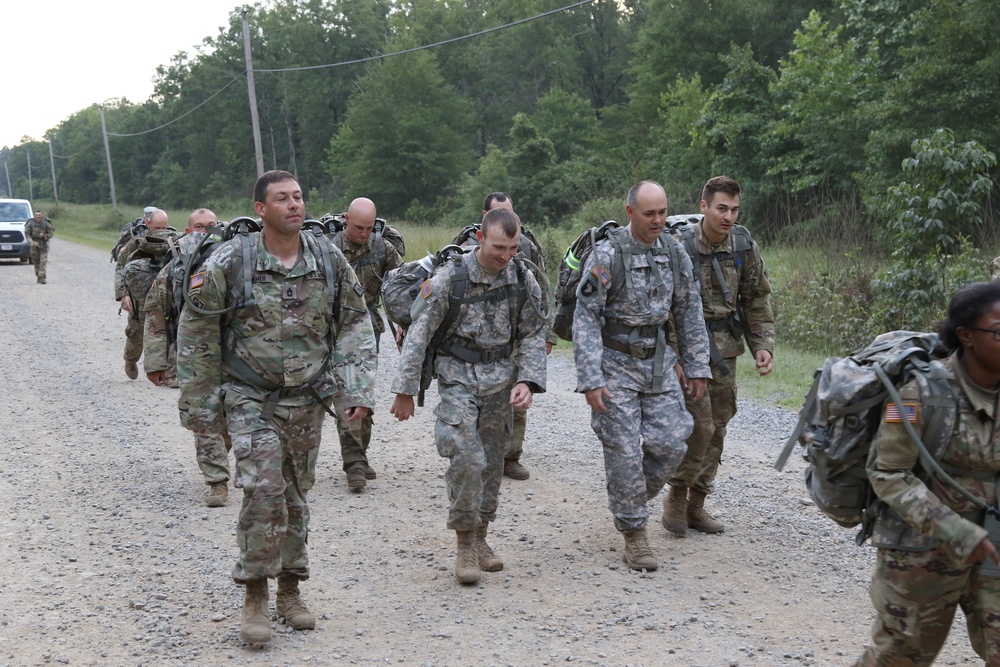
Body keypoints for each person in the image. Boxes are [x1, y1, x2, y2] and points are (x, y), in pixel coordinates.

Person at [177, 170, 376, 643]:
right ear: (261, 209)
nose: (294, 205)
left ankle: (290, 588)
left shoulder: (327, 258)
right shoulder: (230, 262)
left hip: (307, 398)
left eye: (299, 197)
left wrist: (356, 388)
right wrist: (200, 408)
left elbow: (354, 323)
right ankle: (255, 595)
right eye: (282, 199)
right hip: (248, 396)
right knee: (264, 491)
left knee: (296, 495)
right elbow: (198, 334)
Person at [389, 207, 548, 585]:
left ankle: (481, 537)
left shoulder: (523, 280)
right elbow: (419, 333)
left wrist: (528, 381)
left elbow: (532, 333)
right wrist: (405, 390)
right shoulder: (450, 279)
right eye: (498, 247)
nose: (505, 256)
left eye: (512, 248)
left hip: (501, 384)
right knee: (468, 457)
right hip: (457, 377)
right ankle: (464, 542)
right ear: (480, 238)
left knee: (492, 465)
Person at [854, 281, 1000, 666]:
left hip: (995, 546)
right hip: (923, 551)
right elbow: (888, 473)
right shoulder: (923, 393)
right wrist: (954, 529)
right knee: (901, 657)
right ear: (966, 336)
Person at [573, 180, 711, 571]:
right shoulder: (606, 254)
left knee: (671, 443)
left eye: (663, 212)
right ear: (630, 211)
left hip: (658, 362)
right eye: (649, 213)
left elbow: (688, 310)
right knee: (624, 452)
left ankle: (627, 497)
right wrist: (591, 378)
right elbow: (586, 318)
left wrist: (698, 367)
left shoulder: (673, 250)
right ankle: (634, 533)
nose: (658, 220)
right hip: (615, 363)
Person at [663, 175, 774, 537]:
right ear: (704, 207)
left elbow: (756, 299)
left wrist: (763, 345)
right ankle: (676, 497)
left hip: (726, 348)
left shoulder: (742, 244)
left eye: (734, 209)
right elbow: (663, 307)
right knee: (698, 425)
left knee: (719, 427)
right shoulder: (678, 247)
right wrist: (675, 357)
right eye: (721, 208)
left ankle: (698, 503)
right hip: (686, 346)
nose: (728, 216)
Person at [143, 208, 234, 508]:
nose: (206, 231)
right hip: (195, 352)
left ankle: (223, 455)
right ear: (187, 230)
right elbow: (156, 313)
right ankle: (217, 481)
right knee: (202, 414)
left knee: (232, 417)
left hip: (235, 352)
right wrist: (155, 362)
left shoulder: (236, 262)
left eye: (211, 226)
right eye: (199, 226)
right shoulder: (176, 267)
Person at [479, 193, 557, 481]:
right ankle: (480, 455)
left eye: (510, 212)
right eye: (499, 213)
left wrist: (546, 333)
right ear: (485, 215)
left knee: (518, 393)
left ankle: (511, 456)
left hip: (515, 334)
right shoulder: (466, 244)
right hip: (478, 339)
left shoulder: (526, 245)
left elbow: (542, 290)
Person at [329, 197, 403, 491]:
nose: (363, 234)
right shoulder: (327, 248)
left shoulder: (382, 248)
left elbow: (399, 289)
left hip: (365, 334)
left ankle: (356, 460)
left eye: (369, 228)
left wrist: (404, 327)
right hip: (328, 332)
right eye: (358, 227)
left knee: (359, 396)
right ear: (346, 219)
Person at [115, 208, 169, 380]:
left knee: (164, 332)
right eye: (157, 226)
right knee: (135, 334)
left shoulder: (172, 240)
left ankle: (165, 369)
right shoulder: (136, 242)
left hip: (161, 296)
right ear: (148, 223)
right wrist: (124, 295)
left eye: (164, 226)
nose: (161, 230)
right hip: (139, 298)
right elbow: (121, 269)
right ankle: (130, 360)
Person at [24, 210, 54, 284]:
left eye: (39, 215)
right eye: (36, 215)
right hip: (34, 245)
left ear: (41, 216)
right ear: (34, 216)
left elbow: (51, 233)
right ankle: (38, 275)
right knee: (36, 262)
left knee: (43, 261)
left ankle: (42, 277)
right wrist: (32, 242)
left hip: (43, 245)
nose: (38, 217)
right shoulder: (30, 223)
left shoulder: (46, 224)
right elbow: (27, 234)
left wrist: (44, 236)